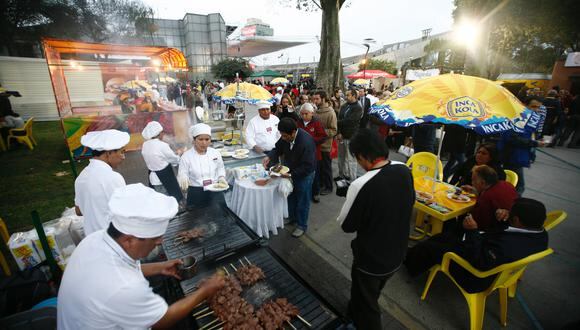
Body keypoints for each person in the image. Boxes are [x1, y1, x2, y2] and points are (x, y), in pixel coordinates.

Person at [58, 183, 225, 329]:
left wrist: (159, 267)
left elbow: (121, 267)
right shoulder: (126, 287)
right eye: (155, 238)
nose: (160, 242)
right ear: (129, 240)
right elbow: (161, 321)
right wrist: (204, 291)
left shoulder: (94, 240)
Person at [337, 129, 415, 330]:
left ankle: (360, 322)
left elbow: (347, 225)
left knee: (367, 306)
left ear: (362, 156)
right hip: (397, 253)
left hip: (371, 260)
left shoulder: (361, 184)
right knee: (368, 293)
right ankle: (350, 319)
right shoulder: (403, 169)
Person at [404, 197, 549, 293]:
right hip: (489, 254)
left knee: (432, 248)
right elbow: (504, 234)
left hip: (476, 275)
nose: (508, 213)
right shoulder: (539, 234)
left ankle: (408, 263)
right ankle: (414, 254)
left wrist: (473, 232)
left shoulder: (509, 246)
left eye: (511, 213)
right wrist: (502, 219)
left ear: (517, 220)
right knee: (444, 236)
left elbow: (479, 261)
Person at [262, 118, 316, 238]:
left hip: (304, 174)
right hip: (290, 170)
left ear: (293, 132)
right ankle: (292, 218)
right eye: (281, 135)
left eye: (285, 136)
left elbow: (308, 166)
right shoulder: (285, 137)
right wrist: (269, 157)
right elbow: (277, 149)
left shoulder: (306, 142)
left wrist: (291, 174)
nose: (283, 138)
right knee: (290, 196)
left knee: (303, 200)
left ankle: (302, 225)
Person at [74, 129, 129, 236]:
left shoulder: (81, 177)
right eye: (122, 152)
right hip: (112, 238)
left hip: (92, 238)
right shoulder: (113, 178)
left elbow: (78, 210)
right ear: (108, 153)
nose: (123, 157)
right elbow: (125, 211)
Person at [498, 97, 545, 195]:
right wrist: (534, 143)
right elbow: (512, 138)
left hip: (519, 156)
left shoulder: (529, 119)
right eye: (533, 106)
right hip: (513, 156)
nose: (536, 110)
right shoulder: (517, 119)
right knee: (519, 186)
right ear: (524, 105)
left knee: (511, 184)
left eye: (538, 108)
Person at [178, 123, 227, 208]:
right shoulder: (186, 156)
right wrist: (183, 177)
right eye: (200, 139)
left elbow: (220, 168)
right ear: (194, 140)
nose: (204, 143)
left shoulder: (215, 153)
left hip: (215, 189)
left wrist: (221, 177)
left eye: (207, 139)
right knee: (196, 218)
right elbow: (183, 172)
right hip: (196, 192)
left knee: (221, 215)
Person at [461, 165, 518, 231]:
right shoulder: (507, 184)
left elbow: (478, 223)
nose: (472, 183)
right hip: (513, 225)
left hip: (495, 232)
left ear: (482, 183)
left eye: (473, 180)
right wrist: (477, 192)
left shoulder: (486, 198)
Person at [141, 121, 183, 202]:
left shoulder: (145, 145)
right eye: (162, 132)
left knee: (158, 200)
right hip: (164, 177)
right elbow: (174, 160)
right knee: (168, 200)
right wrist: (180, 153)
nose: (163, 134)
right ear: (159, 133)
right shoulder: (162, 145)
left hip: (152, 177)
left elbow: (159, 157)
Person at [297, 103, 328, 203]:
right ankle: (303, 192)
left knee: (315, 175)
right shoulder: (298, 123)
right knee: (302, 174)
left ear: (312, 113)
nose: (304, 116)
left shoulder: (316, 123)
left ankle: (315, 193)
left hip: (314, 155)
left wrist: (311, 141)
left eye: (306, 114)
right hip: (301, 155)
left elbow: (323, 137)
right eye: (302, 114)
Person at [312, 90, 337, 195]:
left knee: (326, 167)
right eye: (314, 99)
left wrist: (320, 132)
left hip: (326, 145)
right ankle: (322, 184)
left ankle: (328, 187)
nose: (315, 101)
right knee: (319, 167)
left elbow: (334, 130)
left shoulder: (330, 112)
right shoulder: (316, 111)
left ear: (323, 99)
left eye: (317, 99)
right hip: (317, 145)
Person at [337, 89, 363, 181]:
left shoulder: (358, 108)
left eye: (348, 95)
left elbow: (351, 121)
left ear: (354, 96)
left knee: (351, 159)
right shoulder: (344, 106)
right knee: (341, 158)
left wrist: (338, 122)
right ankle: (342, 175)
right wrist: (339, 132)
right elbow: (340, 117)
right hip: (341, 136)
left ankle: (352, 178)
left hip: (351, 136)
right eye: (346, 95)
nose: (346, 97)